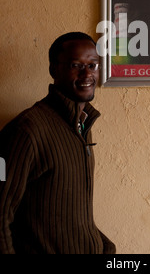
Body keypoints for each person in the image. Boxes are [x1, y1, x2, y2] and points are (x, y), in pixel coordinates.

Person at [0, 32, 116, 254]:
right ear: (54, 69)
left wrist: (103, 245)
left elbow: (68, 212)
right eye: (76, 65)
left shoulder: (82, 125)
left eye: (93, 65)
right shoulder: (27, 130)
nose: (87, 74)